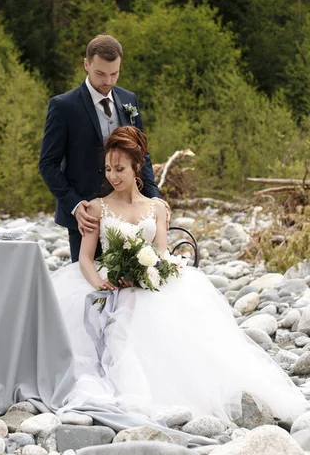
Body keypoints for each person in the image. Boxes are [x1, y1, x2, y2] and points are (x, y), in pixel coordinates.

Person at [51, 126, 308, 426]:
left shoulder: (157, 207)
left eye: (119, 168)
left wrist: (146, 274)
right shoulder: (97, 207)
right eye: (107, 168)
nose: (112, 176)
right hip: (110, 283)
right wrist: (100, 284)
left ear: (138, 167)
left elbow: (161, 253)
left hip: (148, 282)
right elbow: (85, 259)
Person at [39, 34, 160, 263]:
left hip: (131, 212)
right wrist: (75, 205)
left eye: (114, 73)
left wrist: (154, 197)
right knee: (91, 290)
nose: (108, 81)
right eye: (101, 73)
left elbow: (142, 154)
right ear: (86, 64)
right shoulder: (63, 106)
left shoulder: (129, 99)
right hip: (87, 217)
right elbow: (48, 165)